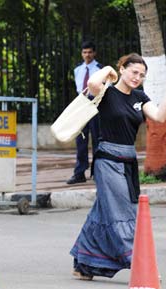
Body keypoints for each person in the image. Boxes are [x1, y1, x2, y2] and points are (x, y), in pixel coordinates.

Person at [70, 53, 166, 279]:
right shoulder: (106, 92)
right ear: (122, 69)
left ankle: (84, 264)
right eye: (133, 72)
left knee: (103, 212)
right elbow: (91, 84)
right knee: (123, 213)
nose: (137, 77)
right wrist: (106, 69)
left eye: (142, 75)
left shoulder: (139, 96)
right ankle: (142, 263)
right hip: (107, 161)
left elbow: (159, 116)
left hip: (128, 163)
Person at [66, 41, 103, 184]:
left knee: (97, 140)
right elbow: (78, 90)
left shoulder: (100, 69)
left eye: (89, 52)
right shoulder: (78, 70)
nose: (87, 55)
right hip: (81, 106)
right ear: (81, 54)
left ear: (94, 53)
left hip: (95, 106)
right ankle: (79, 172)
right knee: (80, 140)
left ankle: (97, 171)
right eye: (84, 52)